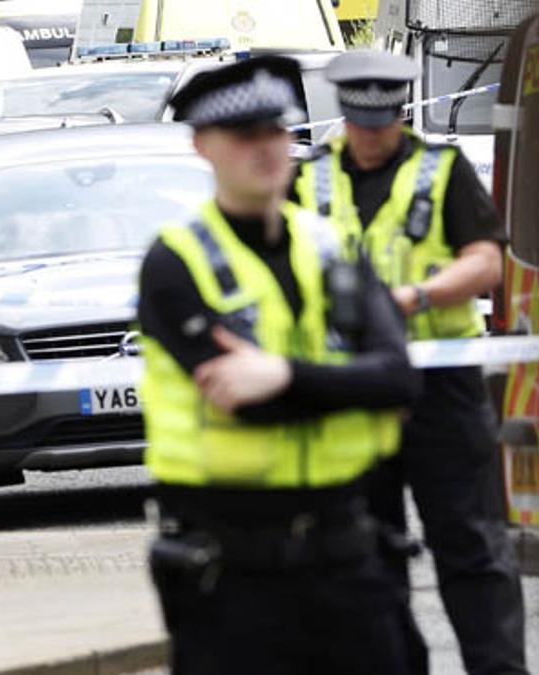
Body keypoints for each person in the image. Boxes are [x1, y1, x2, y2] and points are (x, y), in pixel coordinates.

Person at [139, 56, 421, 674]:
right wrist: (350, 385)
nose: (268, 148)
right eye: (246, 136)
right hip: (231, 569)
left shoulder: (330, 246)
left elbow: (400, 380)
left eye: (277, 130)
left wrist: (285, 375)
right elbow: (248, 404)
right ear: (203, 146)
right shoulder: (176, 262)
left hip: (346, 548)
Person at [291, 49, 528, 675]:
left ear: (400, 114)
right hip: (354, 389)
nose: (372, 138)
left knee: (472, 546)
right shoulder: (310, 179)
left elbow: (484, 262)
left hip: (440, 387)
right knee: (367, 552)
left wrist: (413, 297)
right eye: (362, 126)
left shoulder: (440, 169)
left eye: (383, 125)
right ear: (344, 116)